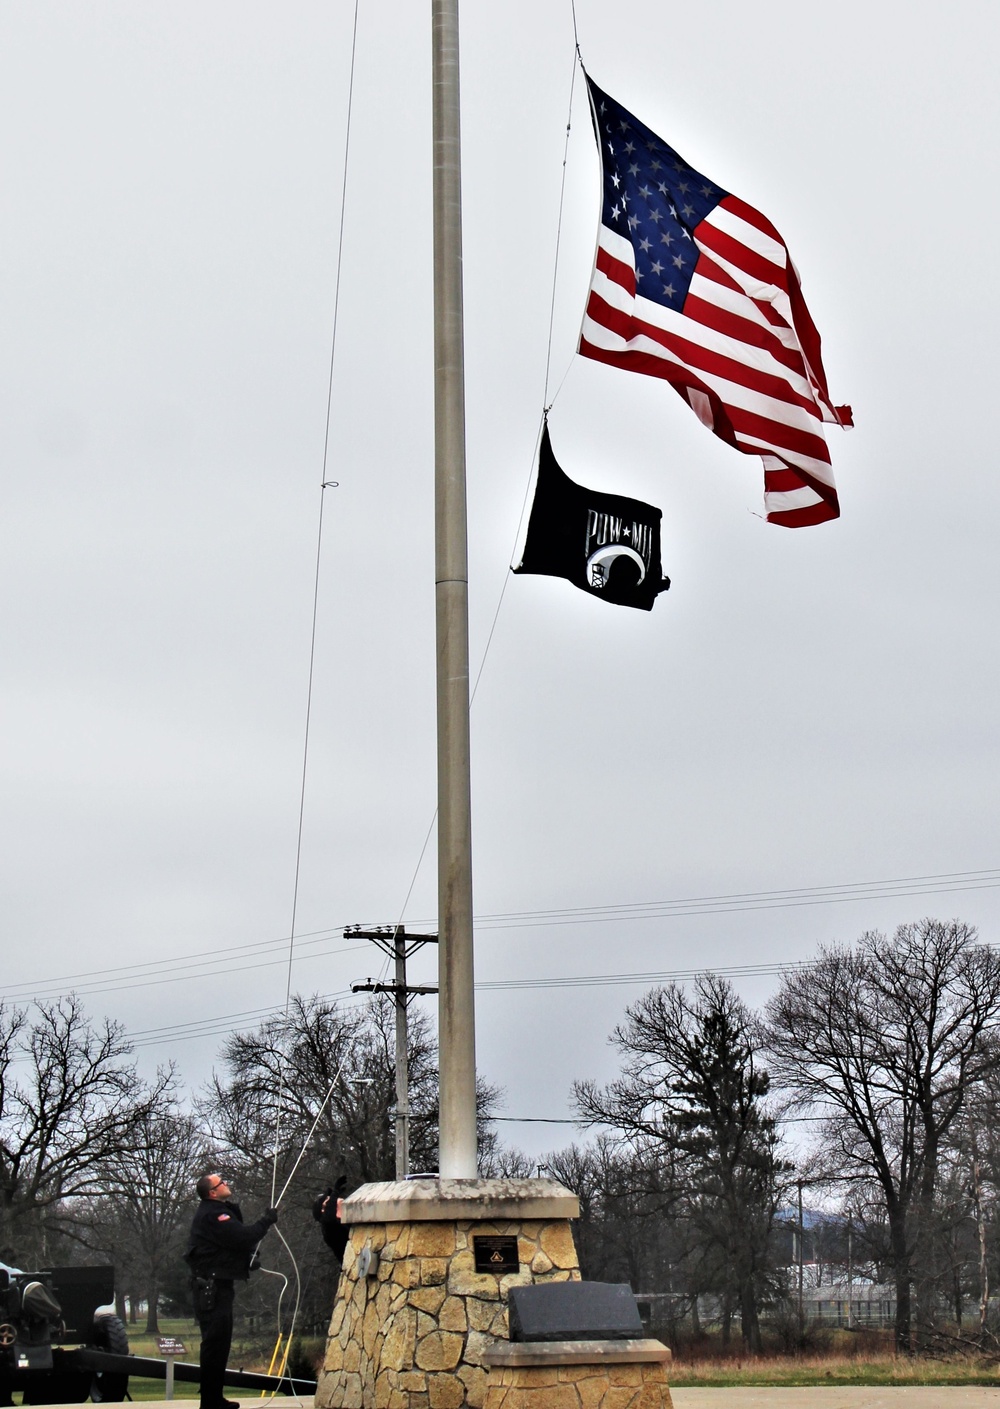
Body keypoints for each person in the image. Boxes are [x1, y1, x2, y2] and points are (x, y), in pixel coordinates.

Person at [184, 1173, 277, 1409]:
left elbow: (224, 1248)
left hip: (218, 1287)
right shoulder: (213, 1214)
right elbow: (242, 1237)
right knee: (215, 1345)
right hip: (211, 1290)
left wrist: (245, 1262)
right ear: (212, 1193)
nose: (226, 1183)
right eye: (221, 1182)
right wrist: (266, 1221)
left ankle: (214, 1399)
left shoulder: (216, 1212)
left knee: (220, 1345)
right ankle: (210, 1402)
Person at [312, 1174, 349, 1259]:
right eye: (327, 1200)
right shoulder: (327, 1228)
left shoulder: (341, 1221)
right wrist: (335, 1192)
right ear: (323, 1210)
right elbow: (328, 1218)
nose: (330, 1199)